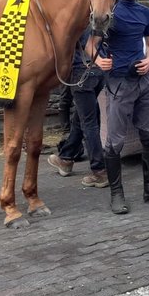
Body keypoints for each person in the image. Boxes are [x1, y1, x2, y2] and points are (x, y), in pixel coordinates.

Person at [94, 0, 149, 214]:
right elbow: (88, 43)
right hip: (118, 82)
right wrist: (97, 60)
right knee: (114, 142)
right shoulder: (109, 10)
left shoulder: (145, 13)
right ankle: (117, 195)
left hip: (143, 82)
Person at [47, 30, 108, 189]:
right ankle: (66, 158)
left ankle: (99, 171)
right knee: (81, 117)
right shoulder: (97, 17)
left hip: (81, 71)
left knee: (89, 123)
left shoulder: (77, 18)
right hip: (99, 71)